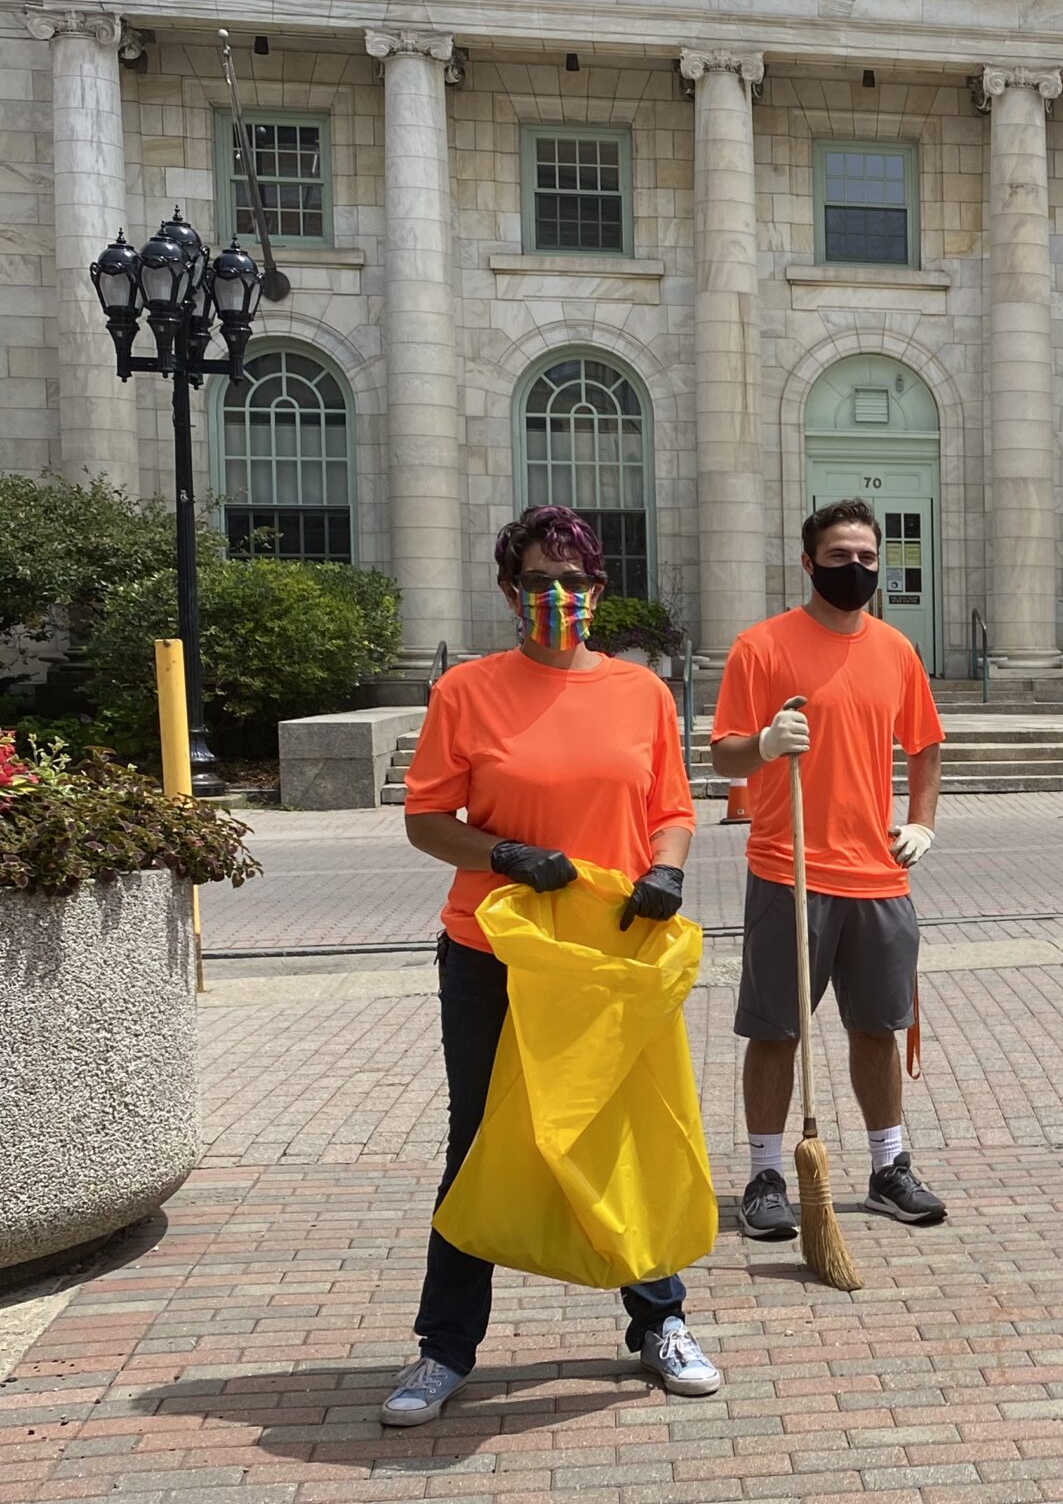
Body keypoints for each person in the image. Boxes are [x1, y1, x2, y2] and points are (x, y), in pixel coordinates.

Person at [383, 505, 718, 1427]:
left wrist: (666, 869)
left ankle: (661, 1321)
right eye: (538, 582)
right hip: (493, 950)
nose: (558, 597)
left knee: (615, 1131)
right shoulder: (467, 692)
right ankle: (443, 1349)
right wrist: (502, 855)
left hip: (605, 956)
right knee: (480, 1139)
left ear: (599, 593)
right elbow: (425, 820)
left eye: (574, 582)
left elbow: (674, 808)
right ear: (508, 593)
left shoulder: (641, 693)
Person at [712, 499, 947, 1238]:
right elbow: (723, 753)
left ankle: (889, 1167)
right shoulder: (763, 646)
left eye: (869, 559)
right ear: (808, 562)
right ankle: (765, 1174)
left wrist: (921, 822)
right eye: (841, 557)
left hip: (877, 874)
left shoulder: (895, 650)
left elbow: (926, 745)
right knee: (777, 1029)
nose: (858, 570)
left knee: (879, 1026)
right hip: (792, 870)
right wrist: (765, 743)